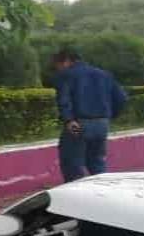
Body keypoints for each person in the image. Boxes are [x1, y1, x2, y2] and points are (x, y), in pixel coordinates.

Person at [51, 49, 127, 182]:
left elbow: (64, 99)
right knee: (97, 162)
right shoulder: (104, 74)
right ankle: (103, 192)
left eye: (57, 64)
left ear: (67, 61)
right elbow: (121, 98)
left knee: (72, 163)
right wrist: (109, 116)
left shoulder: (67, 75)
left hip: (78, 125)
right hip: (102, 124)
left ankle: (76, 196)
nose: (57, 69)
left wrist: (69, 119)